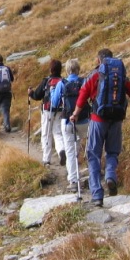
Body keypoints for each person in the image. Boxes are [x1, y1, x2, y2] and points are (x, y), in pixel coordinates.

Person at [70, 48, 130, 206]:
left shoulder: (94, 75)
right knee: (112, 152)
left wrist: (75, 114)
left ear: (99, 60)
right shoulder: (120, 75)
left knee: (93, 155)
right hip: (116, 119)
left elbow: (83, 95)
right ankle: (110, 176)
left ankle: (97, 194)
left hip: (98, 119)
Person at [53, 58, 89, 192]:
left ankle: (73, 180)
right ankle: (93, 174)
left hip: (68, 121)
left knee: (70, 151)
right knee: (88, 147)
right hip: (84, 121)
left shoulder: (62, 83)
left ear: (67, 70)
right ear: (78, 69)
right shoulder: (84, 82)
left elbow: (54, 102)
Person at [28, 59, 64, 166]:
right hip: (60, 110)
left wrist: (30, 93)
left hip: (47, 110)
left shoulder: (46, 81)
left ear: (51, 69)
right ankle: (61, 150)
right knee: (57, 132)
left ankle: (46, 159)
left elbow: (37, 95)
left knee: (46, 134)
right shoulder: (63, 81)